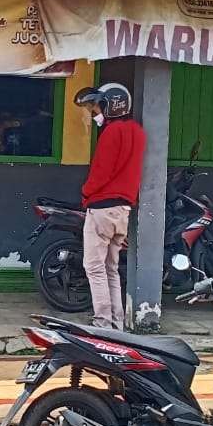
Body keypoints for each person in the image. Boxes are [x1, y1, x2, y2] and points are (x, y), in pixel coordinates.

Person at [74, 83, 146, 330]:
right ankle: (117, 324)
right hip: (123, 210)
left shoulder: (112, 133)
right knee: (111, 269)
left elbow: (101, 172)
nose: (95, 112)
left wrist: (85, 192)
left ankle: (102, 322)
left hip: (102, 208)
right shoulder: (138, 132)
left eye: (97, 106)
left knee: (93, 267)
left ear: (112, 105)